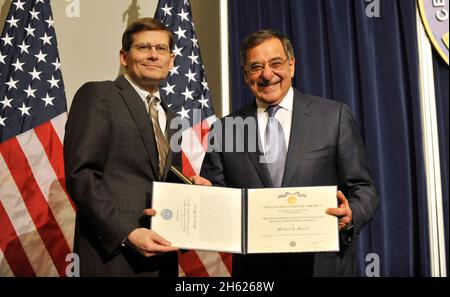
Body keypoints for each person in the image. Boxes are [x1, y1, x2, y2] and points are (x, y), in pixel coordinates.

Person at [200, 29, 379, 277]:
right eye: (256, 67)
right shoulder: (224, 130)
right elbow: (216, 200)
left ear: (291, 66)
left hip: (322, 266)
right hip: (256, 272)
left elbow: (364, 188)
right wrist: (202, 197)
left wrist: (351, 215)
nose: (267, 74)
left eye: (276, 63)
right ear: (245, 75)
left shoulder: (333, 117)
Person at [64, 18, 182, 276]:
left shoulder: (172, 118)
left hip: (161, 259)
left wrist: (194, 191)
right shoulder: (98, 96)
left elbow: (168, 184)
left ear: (171, 60)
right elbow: (81, 176)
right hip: (112, 259)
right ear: (124, 56)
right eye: (143, 47)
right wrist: (128, 232)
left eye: (161, 49)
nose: (153, 55)